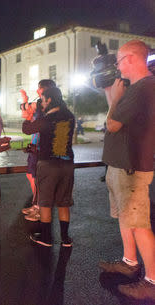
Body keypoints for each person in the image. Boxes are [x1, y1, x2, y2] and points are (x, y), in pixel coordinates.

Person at [98, 40, 155, 301]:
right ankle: (129, 261)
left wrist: (116, 97)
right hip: (121, 166)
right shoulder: (136, 88)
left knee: (140, 225)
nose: (117, 66)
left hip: (131, 169)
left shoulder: (143, 89)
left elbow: (112, 124)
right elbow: (116, 111)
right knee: (126, 219)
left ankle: (152, 281)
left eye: (119, 61)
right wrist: (112, 91)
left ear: (131, 58)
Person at [22, 87, 75, 248]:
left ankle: (46, 237)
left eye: (43, 100)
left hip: (48, 165)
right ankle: (65, 238)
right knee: (63, 202)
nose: (41, 103)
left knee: (45, 202)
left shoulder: (47, 118)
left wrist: (28, 116)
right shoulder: (69, 116)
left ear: (49, 100)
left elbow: (27, 129)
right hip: (67, 164)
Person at [20, 79, 57, 222]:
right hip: (35, 145)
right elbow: (25, 114)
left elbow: (27, 118)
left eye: (39, 89)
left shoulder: (47, 105)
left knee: (39, 180)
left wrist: (26, 104)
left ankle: (40, 209)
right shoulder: (40, 103)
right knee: (31, 176)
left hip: (43, 148)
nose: (37, 91)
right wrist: (25, 102)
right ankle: (36, 204)